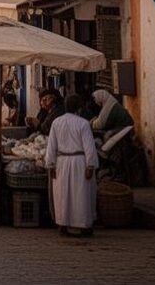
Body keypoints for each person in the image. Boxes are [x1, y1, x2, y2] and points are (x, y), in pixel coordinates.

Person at [46, 95, 99, 237]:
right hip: (80, 162)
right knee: (80, 194)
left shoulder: (56, 123)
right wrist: (91, 165)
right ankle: (83, 225)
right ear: (79, 108)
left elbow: (51, 146)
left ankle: (63, 223)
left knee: (63, 194)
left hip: (61, 162)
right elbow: (89, 147)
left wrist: (51, 165)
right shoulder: (83, 123)